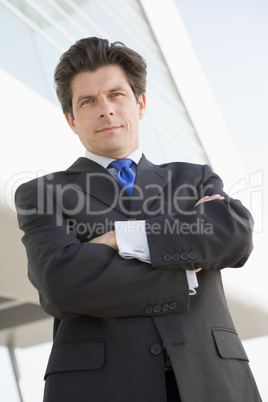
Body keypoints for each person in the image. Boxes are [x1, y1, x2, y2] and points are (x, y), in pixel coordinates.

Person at [15, 37, 262, 402]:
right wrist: (184, 264)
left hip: (213, 380)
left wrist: (119, 238)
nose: (106, 109)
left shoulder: (194, 179)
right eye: (88, 101)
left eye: (116, 94)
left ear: (140, 103)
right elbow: (60, 285)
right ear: (71, 119)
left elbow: (235, 237)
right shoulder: (42, 193)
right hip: (101, 387)